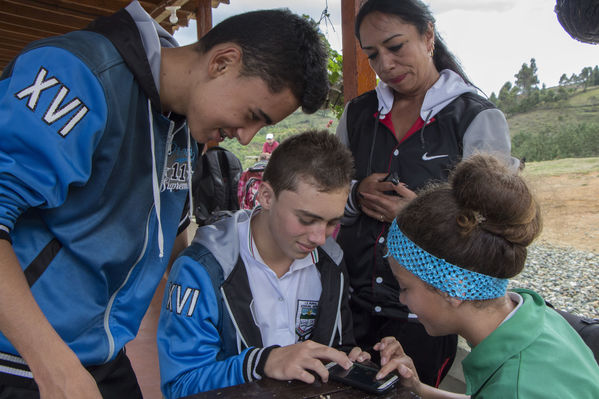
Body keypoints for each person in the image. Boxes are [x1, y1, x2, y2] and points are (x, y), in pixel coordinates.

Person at [0, 2, 329, 397]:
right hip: (25, 360)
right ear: (222, 62)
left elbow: (171, 236)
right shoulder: (77, 75)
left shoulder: (183, 129)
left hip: (101, 355)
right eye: (252, 114)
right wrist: (52, 365)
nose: (246, 137)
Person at [335, 0, 518, 386]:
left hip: (427, 312)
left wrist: (421, 215)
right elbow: (328, 196)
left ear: (429, 36)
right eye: (372, 55)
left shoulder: (475, 116)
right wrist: (353, 195)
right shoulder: (356, 115)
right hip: (350, 300)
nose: (385, 65)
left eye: (396, 46)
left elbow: (495, 225)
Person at [157, 130, 369, 398]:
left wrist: (352, 362)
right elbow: (181, 385)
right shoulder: (203, 269)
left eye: (332, 222)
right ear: (266, 196)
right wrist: (260, 363)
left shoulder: (331, 263)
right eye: (306, 219)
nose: (319, 237)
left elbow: (338, 345)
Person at [372, 154, 599, 398]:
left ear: (453, 288)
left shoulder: (516, 389)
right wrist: (418, 389)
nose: (402, 299)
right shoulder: (537, 316)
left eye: (405, 287)